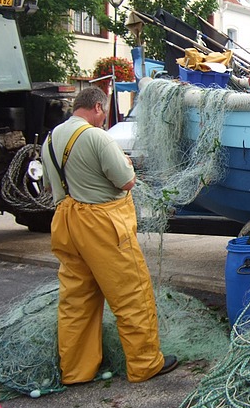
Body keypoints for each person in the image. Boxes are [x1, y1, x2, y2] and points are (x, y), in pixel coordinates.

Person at [41, 87, 177, 384]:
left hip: (65, 222)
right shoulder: (96, 137)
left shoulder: (50, 139)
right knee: (131, 293)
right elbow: (127, 182)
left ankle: (76, 370)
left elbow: (51, 189)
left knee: (76, 300)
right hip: (101, 224)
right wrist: (127, 165)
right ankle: (145, 364)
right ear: (99, 109)